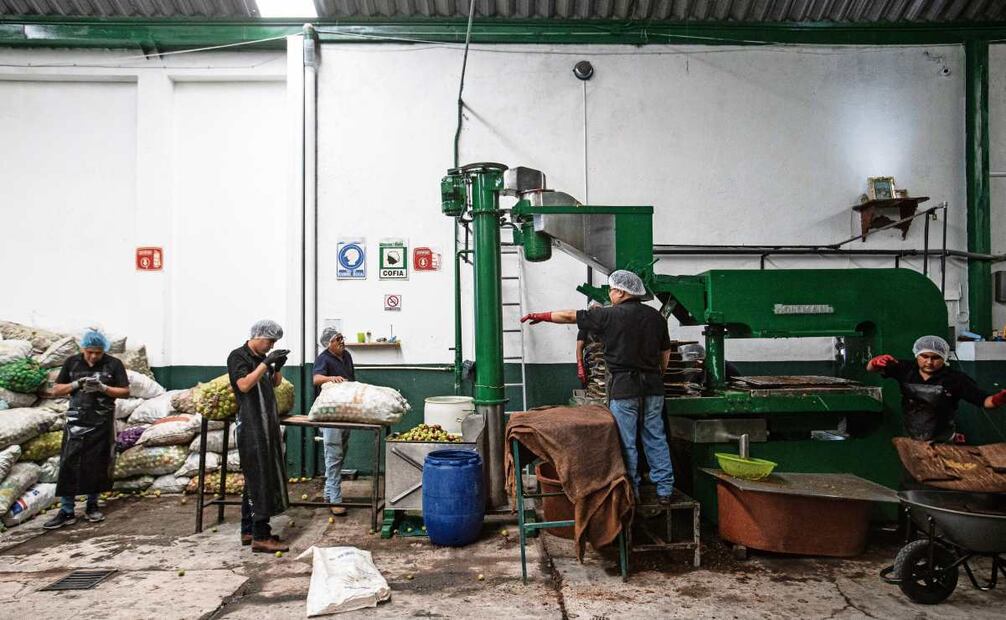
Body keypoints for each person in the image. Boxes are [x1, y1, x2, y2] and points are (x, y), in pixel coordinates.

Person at [522, 270, 675, 505]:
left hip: (624, 389)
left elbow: (569, 316)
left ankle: (631, 491)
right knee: (655, 437)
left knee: (626, 441)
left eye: (612, 289)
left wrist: (541, 315)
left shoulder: (609, 316)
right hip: (653, 387)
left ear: (622, 292)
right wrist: (657, 375)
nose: (610, 293)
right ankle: (665, 490)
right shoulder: (656, 317)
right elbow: (666, 352)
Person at [43, 328, 130, 529]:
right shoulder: (72, 362)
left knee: (97, 463)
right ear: (83, 349)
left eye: (98, 353)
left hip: (101, 421)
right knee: (69, 463)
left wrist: (103, 388)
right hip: (76, 420)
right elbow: (56, 389)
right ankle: (67, 510)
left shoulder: (113, 364)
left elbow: (125, 392)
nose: (93, 356)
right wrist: (76, 384)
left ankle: (92, 505)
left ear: (103, 351)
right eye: (90, 351)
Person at [867, 335, 1006, 442]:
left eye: (935, 358)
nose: (929, 362)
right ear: (917, 354)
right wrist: (874, 362)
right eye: (924, 356)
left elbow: (984, 401)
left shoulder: (956, 379)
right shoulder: (905, 369)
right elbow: (871, 369)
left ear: (944, 357)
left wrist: (998, 399)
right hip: (910, 438)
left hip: (943, 441)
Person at [227, 319, 291, 553]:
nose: (271, 345)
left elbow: (272, 384)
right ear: (257, 335)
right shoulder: (238, 357)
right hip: (252, 427)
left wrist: (277, 367)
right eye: (270, 341)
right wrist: (265, 363)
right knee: (259, 479)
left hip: (266, 425)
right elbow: (244, 385)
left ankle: (248, 530)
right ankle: (261, 536)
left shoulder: (260, 360)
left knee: (255, 479)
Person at [312, 327, 355, 517]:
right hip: (330, 413)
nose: (341, 342)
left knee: (340, 452)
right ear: (329, 344)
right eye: (337, 340)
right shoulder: (324, 358)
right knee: (333, 454)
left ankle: (328, 494)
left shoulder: (347, 357)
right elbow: (316, 379)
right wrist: (331, 378)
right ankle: (335, 499)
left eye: (342, 338)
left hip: (345, 411)